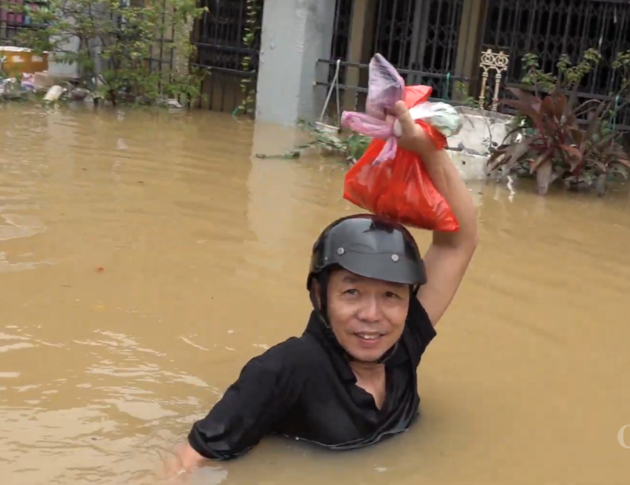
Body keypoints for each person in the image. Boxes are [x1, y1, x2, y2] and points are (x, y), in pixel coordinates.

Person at [165, 100, 478, 477]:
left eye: (391, 295)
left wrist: (428, 150)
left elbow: (457, 243)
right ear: (319, 295)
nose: (372, 315)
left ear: (408, 301)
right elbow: (188, 459)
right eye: (352, 292)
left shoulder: (403, 342)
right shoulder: (286, 369)